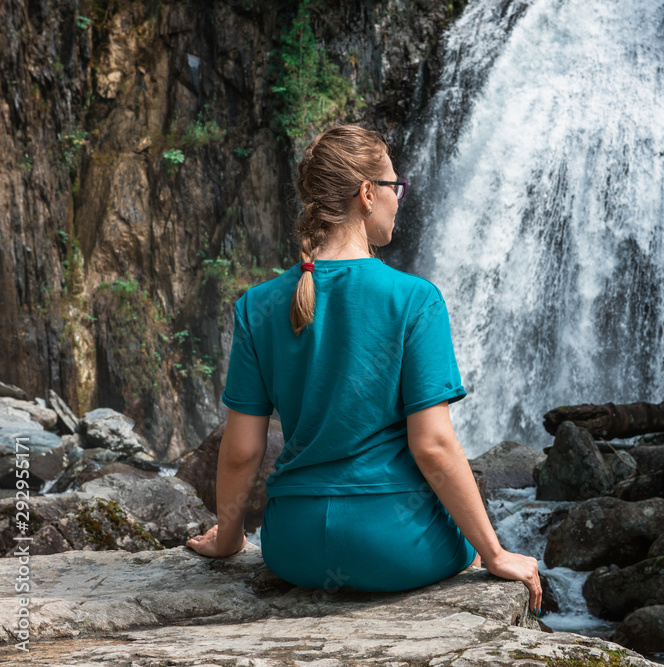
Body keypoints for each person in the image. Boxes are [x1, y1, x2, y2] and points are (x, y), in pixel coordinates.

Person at [185, 125, 542, 617]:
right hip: (397, 547)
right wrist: (494, 553)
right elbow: (432, 446)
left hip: (293, 549)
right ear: (368, 194)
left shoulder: (257, 306)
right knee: (461, 537)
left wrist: (228, 538)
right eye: (395, 187)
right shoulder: (416, 300)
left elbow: (243, 451)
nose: (400, 199)